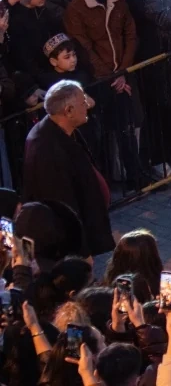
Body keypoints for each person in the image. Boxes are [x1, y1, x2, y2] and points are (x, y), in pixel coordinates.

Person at [19, 80, 114, 256]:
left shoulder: (65, 130)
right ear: (68, 111)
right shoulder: (46, 148)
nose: (87, 105)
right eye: (82, 102)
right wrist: (81, 253)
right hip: (67, 248)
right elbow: (64, 207)